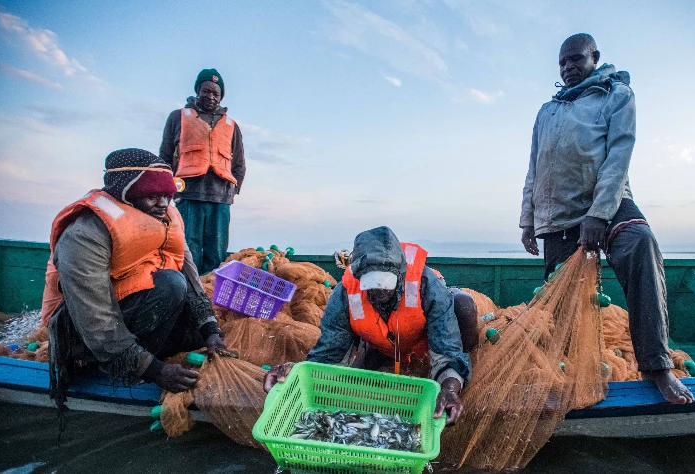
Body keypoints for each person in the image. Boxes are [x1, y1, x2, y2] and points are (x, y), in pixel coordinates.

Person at [519, 33, 695, 404]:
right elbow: (535, 166)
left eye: (576, 59)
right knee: (563, 298)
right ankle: (569, 374)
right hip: (556, 213)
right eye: (562, 62)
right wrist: (528, 219)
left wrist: (598, 214)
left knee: (639, 242)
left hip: (609, 202)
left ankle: (656, 365)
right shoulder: (547, 111)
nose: (568, 67)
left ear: (595, 57)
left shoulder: (617, 95)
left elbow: (619, 154)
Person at [41, 149, 226, 409]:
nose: (163, 204)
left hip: (134, 311)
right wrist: (155, 370)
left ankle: (142, 354)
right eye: (152, 197)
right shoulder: (84, 234)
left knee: (194, 326)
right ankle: (115, 367)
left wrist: (210, 331)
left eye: (167, 196)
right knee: (172, 284)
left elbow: (191, 279)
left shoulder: (167, 218)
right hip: (83, 335)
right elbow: (94, 317)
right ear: (126, 194)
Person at [264, 227, 476, 425]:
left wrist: (450, 388)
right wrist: (294, 372)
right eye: (371, 284)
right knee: (357, 387)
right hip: (381, 344)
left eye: (386, 283)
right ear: (359, 276)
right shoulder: (344, 295)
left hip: (423, 339)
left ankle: (460, 376)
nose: (380, 291)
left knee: (463, 305)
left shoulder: (427, 284)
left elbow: (447, 348)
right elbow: (330, 355)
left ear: (400, 275)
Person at [160, 68, 246, 275]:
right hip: (188, 196)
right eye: (206, 91)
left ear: (221, 96)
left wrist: (233, 191)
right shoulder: (178, 117)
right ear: (198, 90)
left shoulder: (232, 126)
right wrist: (166, 191)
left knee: (216, 253)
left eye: (216, 93)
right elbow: (164, 157)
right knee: (188, 250)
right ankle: (189, 292)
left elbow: (239, 164)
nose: (211, 96)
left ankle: (210, 293)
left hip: (221, 199)